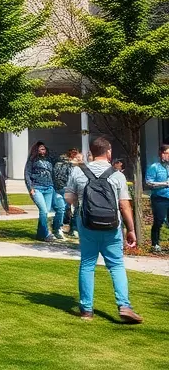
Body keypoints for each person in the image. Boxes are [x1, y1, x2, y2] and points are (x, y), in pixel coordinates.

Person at [65, 136, 143, 323]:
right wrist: (131, 229)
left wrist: (79, 199)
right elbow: (124, 205)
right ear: (108, 152)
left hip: (87, 224)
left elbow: (68, 197)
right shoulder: (117, 175)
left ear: (91, 153)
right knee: (116, 265)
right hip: (112, 226)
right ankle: (124, 305)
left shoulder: (78, 172)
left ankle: (86, 310)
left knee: (87, 264)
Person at [25, 141, 64, 243]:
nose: (43, 151)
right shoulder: (32, 160)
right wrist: (30, 188)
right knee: (44, 211)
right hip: (37, 188)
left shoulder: (49, 159)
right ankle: (46, 234)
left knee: (45, 212)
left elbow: (59, 159)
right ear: (36, 150)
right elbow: (27, 174)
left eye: (44, 149)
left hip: (49, 188)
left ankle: (40, 234)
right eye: (40, 149)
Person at [146, 143, 169, 253]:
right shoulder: (154, 167)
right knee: (159, 221)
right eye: (167, 153)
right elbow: (148, 183)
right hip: (159, 198)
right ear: (161, 153)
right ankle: (155, 244)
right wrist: (165, 184)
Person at [57, 148, 82, 238]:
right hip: (67, 188)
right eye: (74, 154)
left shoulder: (80, 167)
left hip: (77, 190)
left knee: (76, 209)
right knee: (66, 208)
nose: (76, 157)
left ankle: (74, 228)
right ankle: (63, 226)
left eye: (78, 155)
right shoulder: (67, 164)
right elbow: (64, 177)